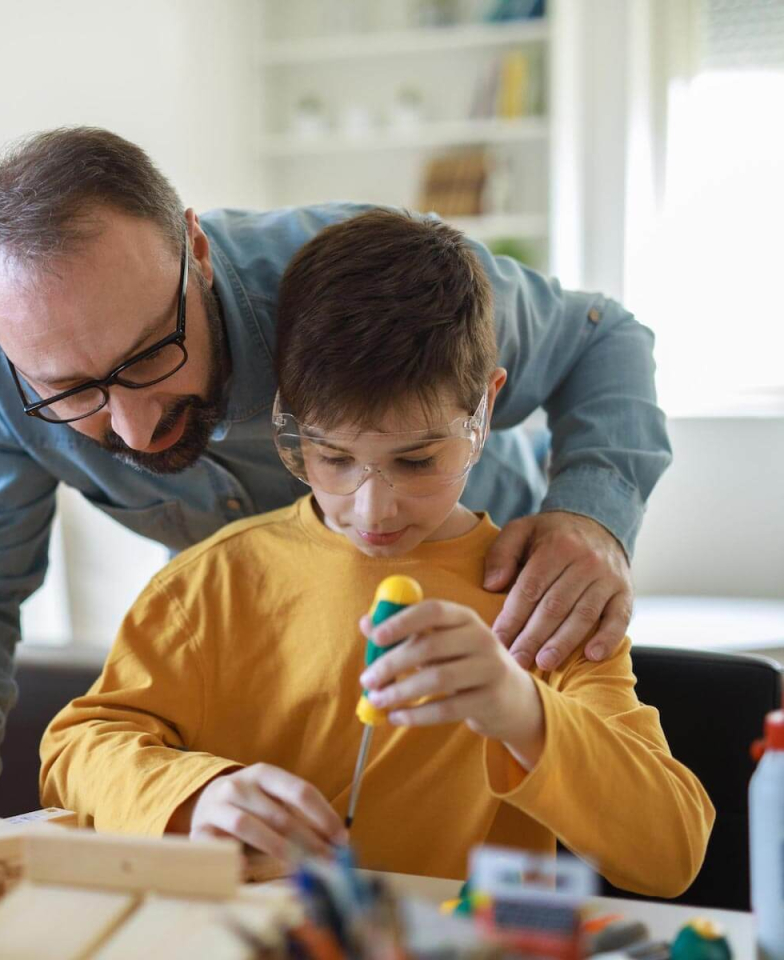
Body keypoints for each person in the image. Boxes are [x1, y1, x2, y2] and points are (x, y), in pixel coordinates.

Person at [0, 127, 669, 814]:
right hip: (262, 649)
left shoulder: (369, 283)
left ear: (195, 253)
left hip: (501, 617)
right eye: (71, 391)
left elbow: (603, 339)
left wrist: (591, 514)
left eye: (148, 356)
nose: (136, 427)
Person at [38, 209, 711, 895]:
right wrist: (193, 797)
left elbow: (672, 851)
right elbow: (75, 750)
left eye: (417, 460)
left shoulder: (543, 602)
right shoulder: (211, 584)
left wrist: (523, 711)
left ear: (485, 409)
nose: (373, 508)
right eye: (331, 458)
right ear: (289, 417)